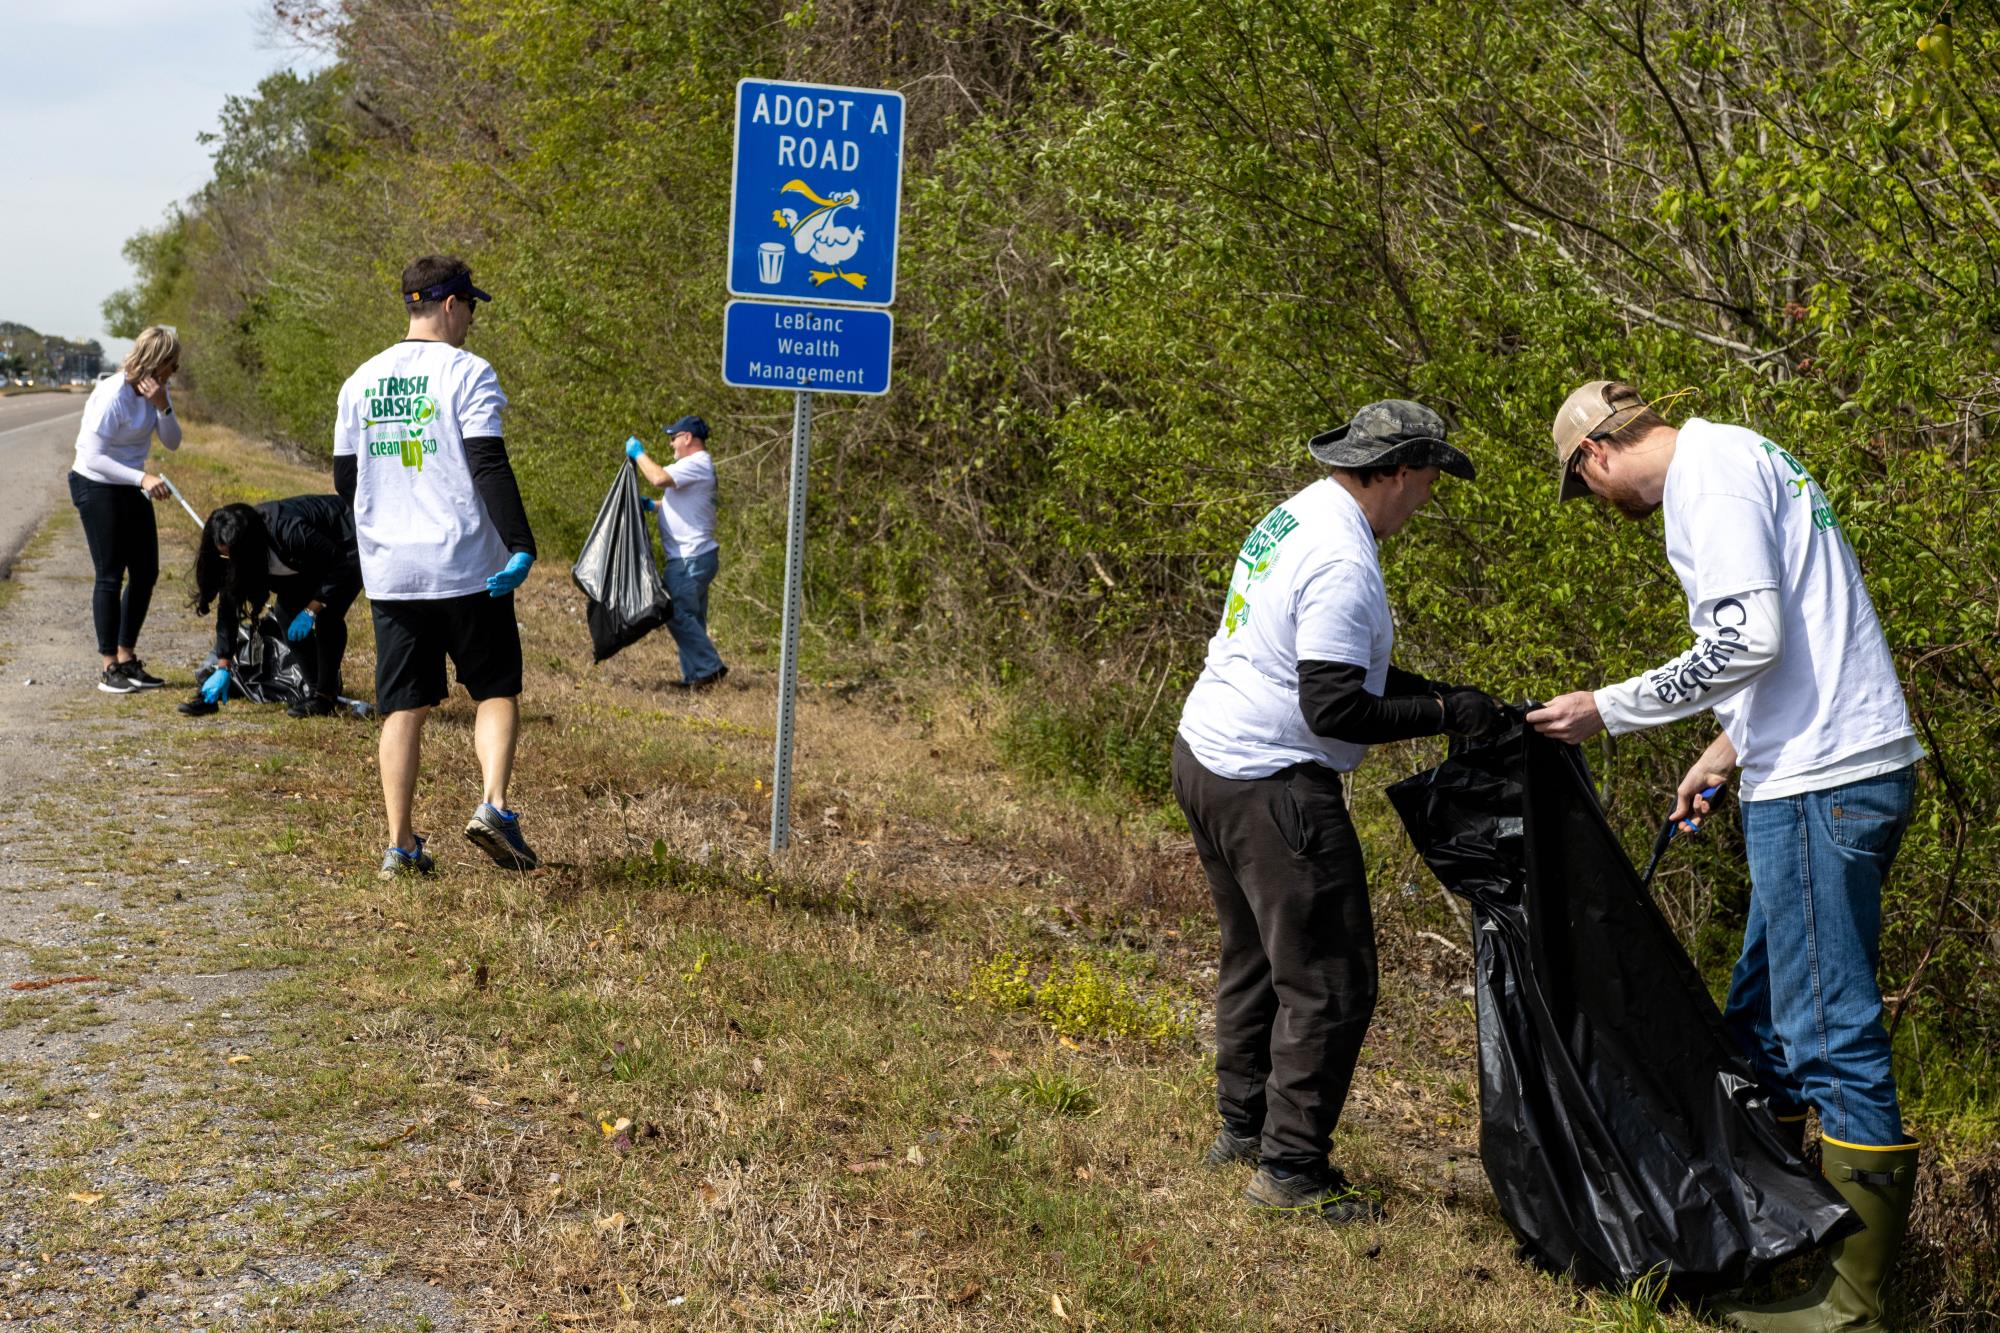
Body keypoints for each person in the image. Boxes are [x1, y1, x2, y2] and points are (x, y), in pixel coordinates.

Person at [1526, 382, 1924, 1332]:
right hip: (1810, 764)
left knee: (1824, 1028)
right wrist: (1721, 751)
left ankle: (1850, 1302)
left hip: (1825, 778)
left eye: (1588, 490)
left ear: (1593, 459)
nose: (1605, 508)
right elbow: (1788, 644)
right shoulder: (1740, 458)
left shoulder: (1709, 479)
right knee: (1762, 1022)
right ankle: (1779, 1244)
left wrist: (1606, 708)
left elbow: (1749, 637)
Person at [1172, 400, 1503, 1223]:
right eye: (1425, 482)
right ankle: (1290, 1170)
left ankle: (1243, 1130)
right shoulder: (1343, 560)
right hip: (1271, 782)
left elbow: (1325, 662)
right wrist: (1444, 716)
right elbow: (1334, 708)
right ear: (1391, 472)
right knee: (1331, 979)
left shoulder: (1297, 513)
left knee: (1254, 956)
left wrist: (1441, 693)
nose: (1425, 500)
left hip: (1207, 753)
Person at [332, 255, 540, 879]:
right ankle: (494, 807)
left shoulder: (359, 381)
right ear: (451, 305)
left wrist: (389, 522)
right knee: (496, 690)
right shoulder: (468, 373)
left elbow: (347, 479)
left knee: (403, 707)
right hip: (468, 565)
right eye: (471, 306)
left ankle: (401, 846)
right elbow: (488, 463)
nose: (472, 319)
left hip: (393, 572)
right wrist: (522, 543)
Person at [68, 325, 181, 694]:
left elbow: (173, 442)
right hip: (96, 484)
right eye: (172, 364)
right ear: (156, 361)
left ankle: (127, 657)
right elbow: (92, 456)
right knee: (110, 574)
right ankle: (108, 668)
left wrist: (162, 406)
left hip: (131, 485)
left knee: (146, 572)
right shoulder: (112, 393)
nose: (174, 370)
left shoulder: (156, 393)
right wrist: (142, 478)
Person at [180, 497, 363, 718]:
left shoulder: (289, 532)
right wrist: (223, 667)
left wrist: (312, 608)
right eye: (223, 554)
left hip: (347, 546)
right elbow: (228, 606)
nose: (228, 560)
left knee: (328, 616)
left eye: (233, 555)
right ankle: (317, 692)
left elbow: (341, 564)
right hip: (303, 562)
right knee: (286, 614)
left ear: (249, 548)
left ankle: (325, 696)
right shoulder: (237, 546)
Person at [626, 415, 727, 689]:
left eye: (673, 437)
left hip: (689, 557)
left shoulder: (695, 463)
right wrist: (654, 507)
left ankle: (709, 667)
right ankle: (697, 677)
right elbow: (685, 506)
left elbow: (658, 478)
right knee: (691, 617)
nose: (671, 443)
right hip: (698, 555)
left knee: (672, 610)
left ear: (687, 438)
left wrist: (639, 455)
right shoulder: (699, 467)